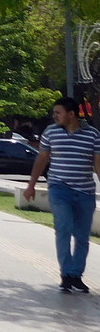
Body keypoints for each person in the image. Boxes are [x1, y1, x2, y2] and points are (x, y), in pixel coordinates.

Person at [25, 96, 100, 293]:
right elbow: (42, 160)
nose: (54, 116)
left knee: (83, 236)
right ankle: (66, 274)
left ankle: (76, 275)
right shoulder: (51, 133)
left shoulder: (92, 135)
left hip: (85, 191)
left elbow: (98, 164)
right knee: (64, 228)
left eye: (58, 113)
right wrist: (31, 185)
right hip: (59, 189)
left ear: (71, 114)